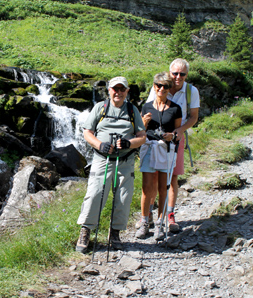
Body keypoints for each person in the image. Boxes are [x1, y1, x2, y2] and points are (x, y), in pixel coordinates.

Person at [76, 76, 146, 253]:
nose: (119, 92)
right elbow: (87, 132)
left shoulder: (132, 110)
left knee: (123, 197)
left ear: (127, 92)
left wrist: (130, 143)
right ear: (109, 90)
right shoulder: (100, 108)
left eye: (122, 89)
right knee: (94, 194)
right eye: (115, 89)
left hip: (125, 161)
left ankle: (115, 233)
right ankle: (85, 231)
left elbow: (142, 136)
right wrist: (100, 144)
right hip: (102, 159)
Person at [136, 58, 200, 233]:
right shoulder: (159, 85)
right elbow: (148, 111)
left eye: (182, 74)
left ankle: (169, 216)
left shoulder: (191, 91)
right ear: (169, 73)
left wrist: (179, 131)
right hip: (153, 142)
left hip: (175, 139)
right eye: (175, 73)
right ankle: (148, 215)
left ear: (186, 75)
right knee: (152, 178)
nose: (178, 77)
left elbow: (194, 116)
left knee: (171, 178)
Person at [135, 72, 182, 240]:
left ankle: (161, 223)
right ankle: (144, 222)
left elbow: (178, 133)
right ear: (153, 87)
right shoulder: (147, 106)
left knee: (164, 188)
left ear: (169, 89)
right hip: (149, 148)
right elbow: (140, 130)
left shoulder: (176, 109)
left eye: (166, 86)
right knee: (146, 188)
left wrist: (173, 137)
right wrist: (144, 122)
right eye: (158, 85)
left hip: (166, 150)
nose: (161, 89)